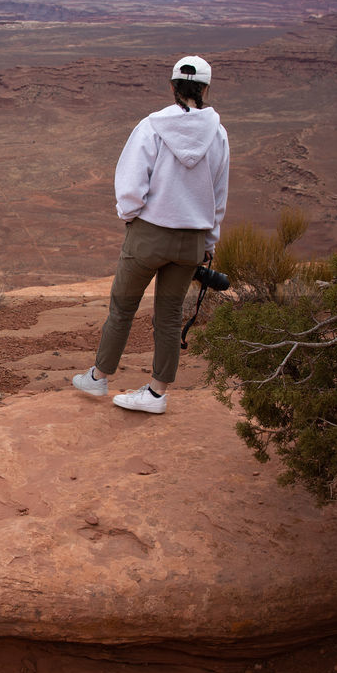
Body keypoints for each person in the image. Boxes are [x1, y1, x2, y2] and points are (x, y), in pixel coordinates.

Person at [72, 55, 229, 413]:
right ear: (205, 88)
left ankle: (98, 378)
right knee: (170, 316)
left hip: (149, 234)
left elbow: (130, 184)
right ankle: (157, 393)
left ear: (172, 86)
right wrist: (208, 242)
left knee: (123, 306)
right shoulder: (218, 134)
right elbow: (218, 195)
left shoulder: (152, 127)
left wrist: (131, 217)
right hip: (192, 239)